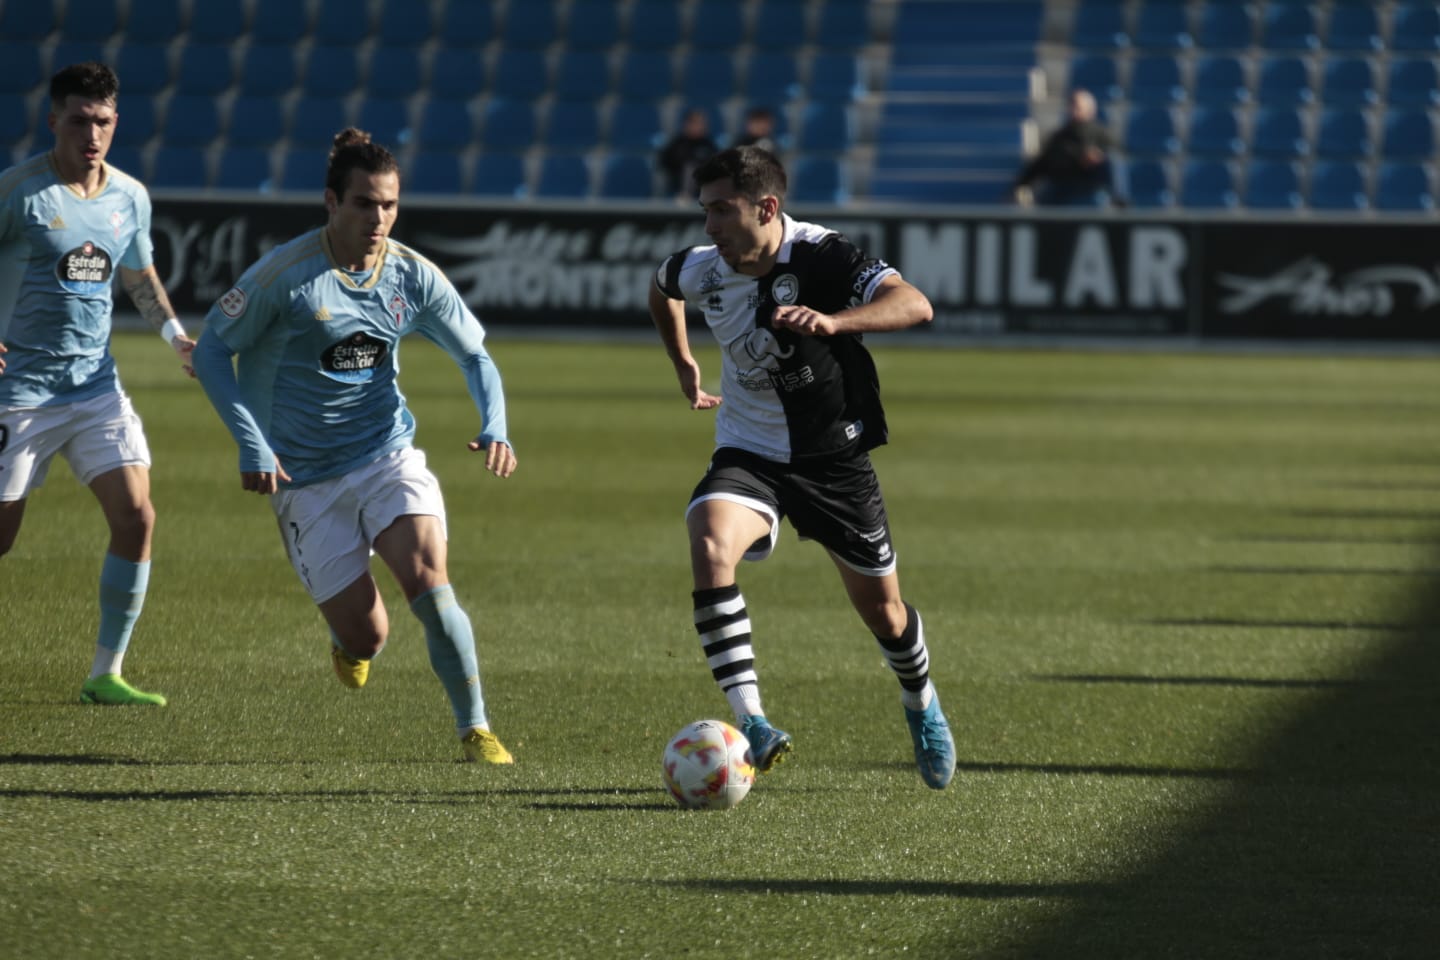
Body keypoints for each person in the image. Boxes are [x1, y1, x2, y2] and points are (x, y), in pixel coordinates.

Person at [192, 129, 517, 765]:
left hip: (384, 453)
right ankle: (350, 647)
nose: (379, 218)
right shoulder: (284, 277)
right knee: (370, 635)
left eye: (389, 205)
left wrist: (496, 422)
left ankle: (475, 729)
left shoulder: (411, 273)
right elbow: (210, 350)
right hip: (304, 478)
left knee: (429, 579)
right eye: (365, 203)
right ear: (331, 203)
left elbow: (474, 354)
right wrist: (252, 444)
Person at [647, 146, 956, 790]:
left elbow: (915, 304)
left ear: (767, 207)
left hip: (833, 459)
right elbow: (659, 285)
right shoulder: (703, 267)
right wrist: (683, 363)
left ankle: (921, 702)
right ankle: (754, 723)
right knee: (708, 542)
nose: (710, 227)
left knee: (887, 615)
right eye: (704, 211)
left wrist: (835, 321)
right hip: (748, 451)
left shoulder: (823, 255)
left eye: (722, 211)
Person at [0, 62, 194, 707]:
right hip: (17, 394)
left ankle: (105, 673)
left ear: (116, 124)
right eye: (79, 120)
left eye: (103, 121)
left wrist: (175, 339)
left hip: (93, 389)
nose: (92, 133)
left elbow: (138, 276)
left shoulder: (129, 197)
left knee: (137, 515)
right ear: (52, 120)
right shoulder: (18, 193)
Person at [1012, 88, 1121, 207]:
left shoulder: (1101, 134)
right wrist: (1019, 186)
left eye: (1078, 107)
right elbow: (1040, 164)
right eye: (1072, 105)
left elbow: (1115, 159)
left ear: (1091, 109)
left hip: (1089, 192)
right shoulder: (1059, 136)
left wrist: (1098, 157)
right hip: (1059, 192)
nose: (1074, 110)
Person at [656, 107, 719, 201]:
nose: (698, 126)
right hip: (676, 190)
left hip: (704, 190)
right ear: (686, 124)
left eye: (701, 123)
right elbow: (663, 164)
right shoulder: (676, 144)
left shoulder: (709, 145)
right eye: (694, 123)